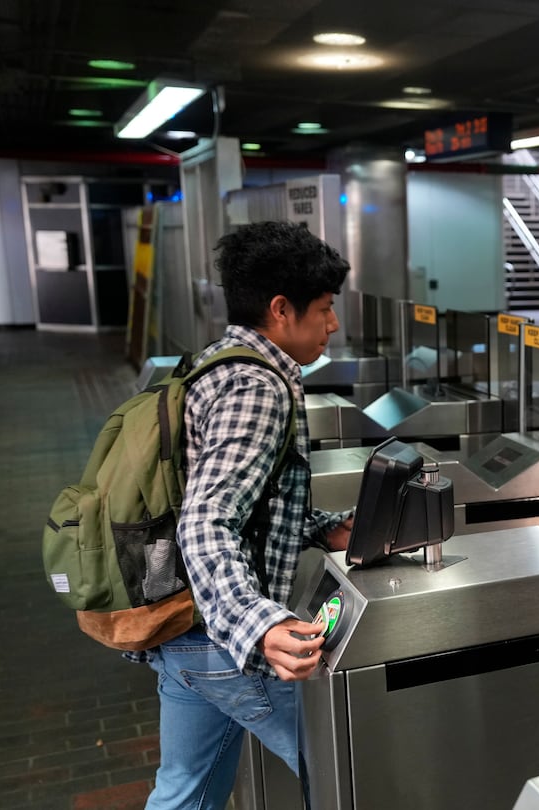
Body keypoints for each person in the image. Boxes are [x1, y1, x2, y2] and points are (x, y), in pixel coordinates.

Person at [139, 221, 354, 810]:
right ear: (282, 309)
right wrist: (258, 624)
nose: (332, 325)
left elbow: (231, 494)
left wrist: (318, 526)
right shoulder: (258, 385)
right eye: (326, 309)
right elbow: (206, 518)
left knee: (185, 792)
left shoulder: (214, 361)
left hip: (182, 634)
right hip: (223, 644)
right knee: (353, 778)